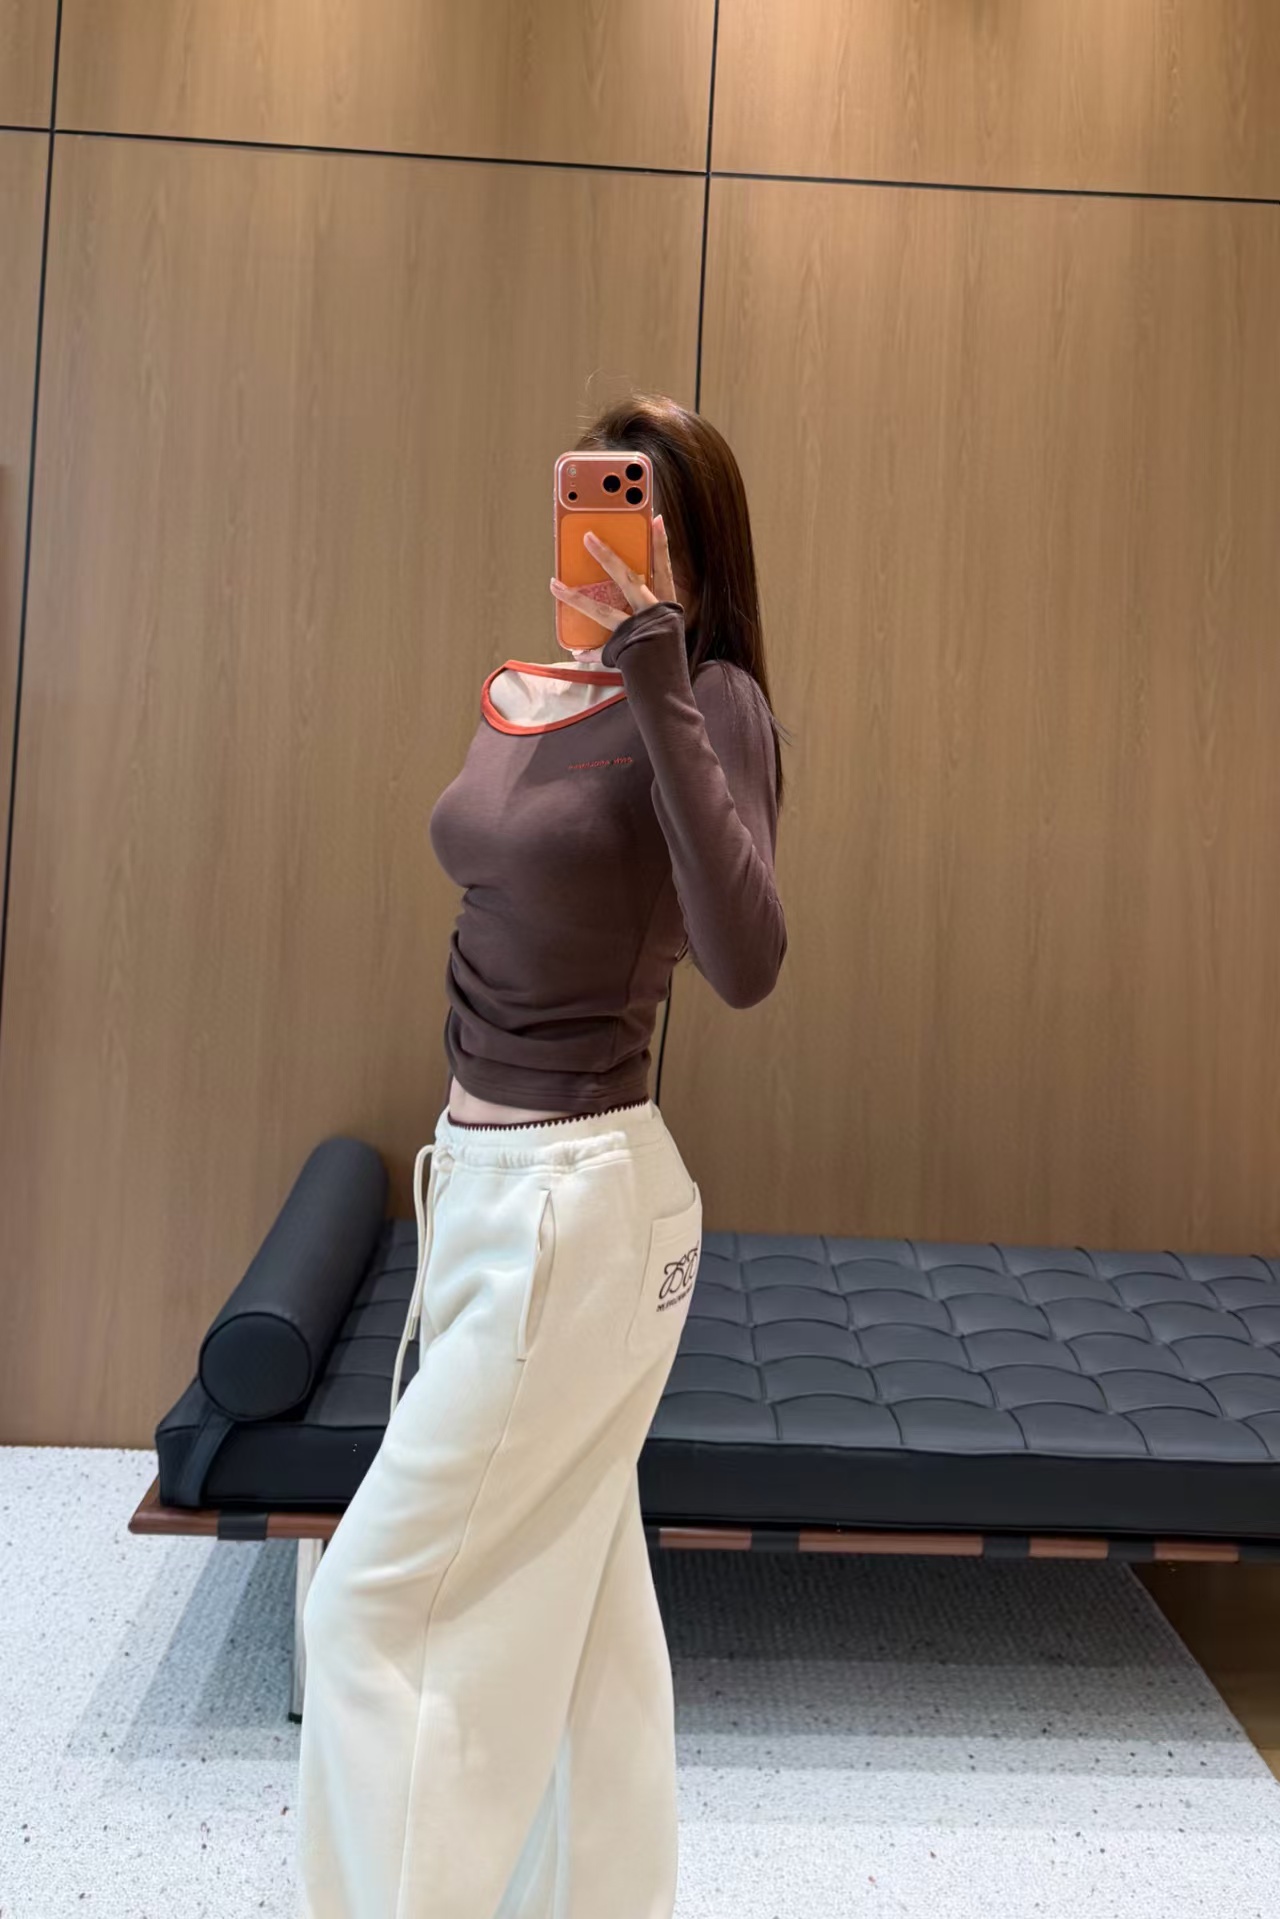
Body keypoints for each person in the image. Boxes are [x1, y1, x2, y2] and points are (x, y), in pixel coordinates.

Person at [294, 393, 789, 1918]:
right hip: (482, 1190)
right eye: (588, 500)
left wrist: (656, 671)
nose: (602, 536)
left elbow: (747, 958)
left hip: (580, 1204)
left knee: (371, 1614)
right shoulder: (530, 692)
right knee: (584, 1627)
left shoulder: (709, 702)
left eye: (638, 514)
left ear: (692, 547)